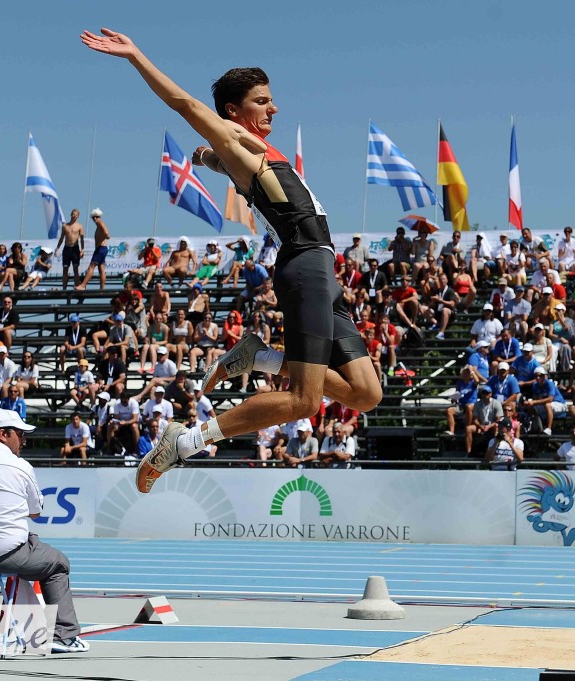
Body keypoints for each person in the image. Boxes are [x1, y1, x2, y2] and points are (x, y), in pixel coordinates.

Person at [82, 30, 382, 491]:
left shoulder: (251, 151)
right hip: (305, 266)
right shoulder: (236, 142)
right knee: (305, 401)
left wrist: (206, 158)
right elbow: (185, 104)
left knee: (365, 392)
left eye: (271, 100)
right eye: (262, 101)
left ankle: (259, 357)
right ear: (233, 112)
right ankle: (185, 441)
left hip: (323, 269)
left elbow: (223, 158)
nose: (274, 108)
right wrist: (136, 56)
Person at [0, 409, 88, 653]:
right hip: (7, 553)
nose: (24, 440)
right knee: (58, 564)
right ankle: (63, 635)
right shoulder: (20, 466)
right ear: (3, 434)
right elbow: (36, 512)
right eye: (20, 434)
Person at [76, 208, 111, 290]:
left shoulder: (100, 223)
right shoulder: (99, 225)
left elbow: (106, 233)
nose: (95, 218)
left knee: (91, 266)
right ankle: (102, 288)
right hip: (102, 249)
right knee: (101, 268)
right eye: (93, 217)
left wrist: (105, 236)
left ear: (99, 216)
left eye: (96, 217)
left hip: (101, 248)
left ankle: (83, 285)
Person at [55, 209, 86, 290]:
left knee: (75, 269)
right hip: (67, 249)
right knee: (65, 269)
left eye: (76, 214)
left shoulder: (80, 226)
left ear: (78, 216)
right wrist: (57, 248)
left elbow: (82, 239)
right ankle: (64, 288)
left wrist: (82, 249)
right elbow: (61, 238)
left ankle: (77, 287)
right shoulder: (65, 226)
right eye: (73, 214)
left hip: (75, 249)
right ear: (71, 215)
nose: (74, 216)